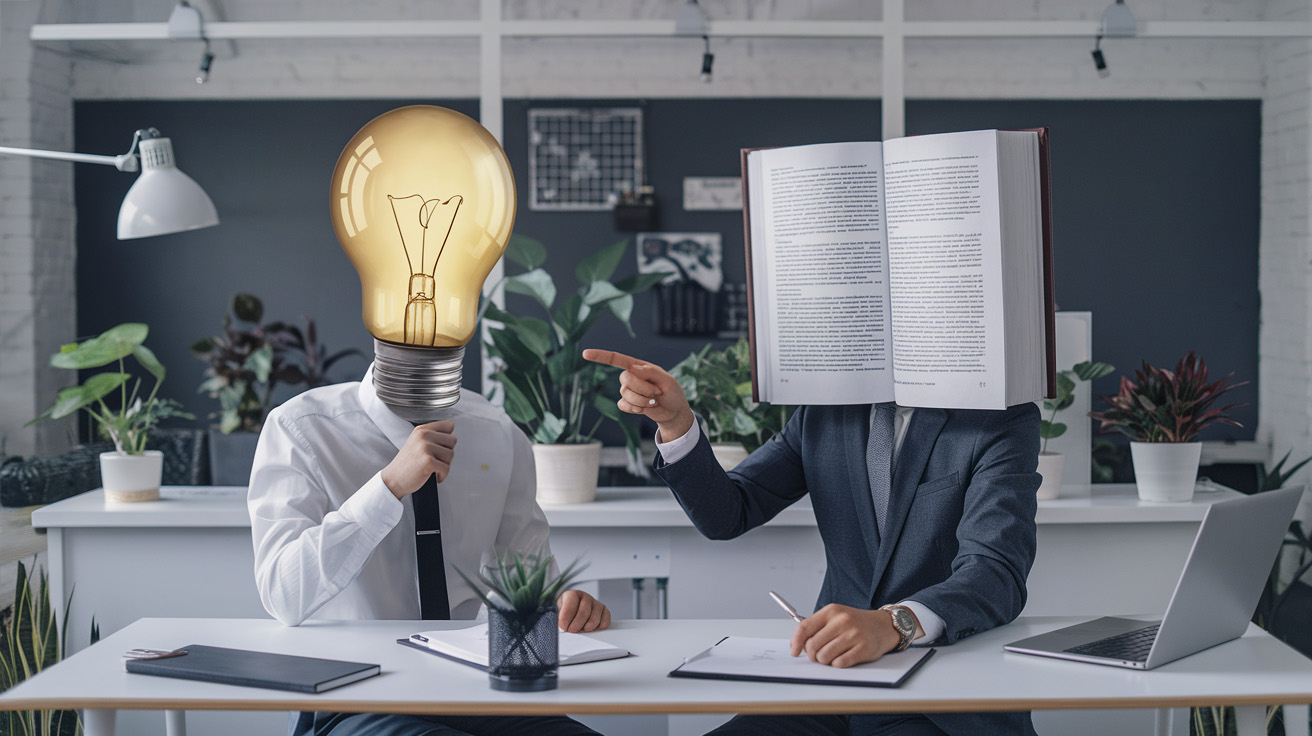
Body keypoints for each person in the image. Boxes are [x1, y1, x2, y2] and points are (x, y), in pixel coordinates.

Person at [583, 348, 1040, 736]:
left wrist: (894, 623)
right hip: (828, 689)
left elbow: (995, 572)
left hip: (939, 702)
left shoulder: (1001, 420)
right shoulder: (824, 413)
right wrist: (677, 423)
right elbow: (729, 513)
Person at [248, 363, 610, 736]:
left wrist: (564, 604)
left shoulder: (498, 432)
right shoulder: (300, 427)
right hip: (351, 699)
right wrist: (387, 487)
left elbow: (531, 587)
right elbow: (281, 594)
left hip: (481, 695)